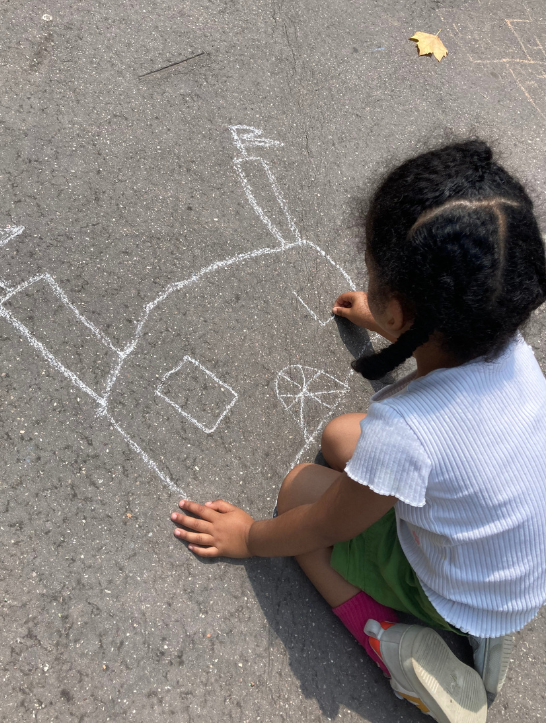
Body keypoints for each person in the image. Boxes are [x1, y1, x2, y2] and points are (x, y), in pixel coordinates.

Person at [170, 141, 546, 723]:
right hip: (512, 570)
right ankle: (488, 630)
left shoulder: (411, 434)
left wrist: (250, 538)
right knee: (343, 437)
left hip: (453, 589)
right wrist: (388, 320)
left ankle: (388, 639)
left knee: (299, 490)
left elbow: (325, 522)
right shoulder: (511, 349)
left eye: (376, 283)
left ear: (401, 310)